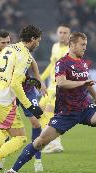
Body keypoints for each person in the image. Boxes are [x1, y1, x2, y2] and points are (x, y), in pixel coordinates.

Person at [3, 32, 96, 173]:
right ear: (72, 44)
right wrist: (82, 83)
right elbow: (61, 82)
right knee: (40, 142)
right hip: (66, 113)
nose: (84, 48)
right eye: (82, 45)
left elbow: (87, 82)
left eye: (85, 45)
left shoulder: (82, 63)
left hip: (86, 109)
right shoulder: (62, 62)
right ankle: (13, 170)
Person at [0, 25, 44, 173]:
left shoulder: (10, 48)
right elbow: (15, 84)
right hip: (3, 102)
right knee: (20, 138)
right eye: (38, 41)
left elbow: (8, 74)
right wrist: (29, 105)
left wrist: (28, 79)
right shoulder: (25, 55)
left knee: (4, 131)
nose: (38, 44)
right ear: (33, 39)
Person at [39, 24, 71, 153]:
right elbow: (52, 65)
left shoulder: (71, 50)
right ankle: (50, 140)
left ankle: (55, 143)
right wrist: (40, 79)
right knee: (39, 110)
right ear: (57, 33)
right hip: (51, 86)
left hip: (61, 86)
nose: (62, 34)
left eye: (65, 33)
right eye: (60, 32)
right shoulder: (55, 47)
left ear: (69, 35)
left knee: (49, 112)